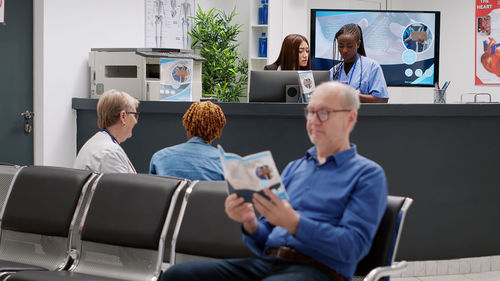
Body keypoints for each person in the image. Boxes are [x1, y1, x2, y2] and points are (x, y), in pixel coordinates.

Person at [161, 82, 388, 281]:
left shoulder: (367, 175)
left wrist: (294, 223)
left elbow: (351, 247)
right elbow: (264, 241)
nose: (314, 120)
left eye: (324, 113)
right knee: (176, 275)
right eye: (310, 112)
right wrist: (250, 223)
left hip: (321, 271)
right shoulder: (296, 168)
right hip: (269, 264)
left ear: (350, 118)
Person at [149, 101, 226, 181]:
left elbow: (152, 192)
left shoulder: (159, 158)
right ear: (217, 130)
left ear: (187, 124)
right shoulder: (224, 162)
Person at [73, 89, 139, 174]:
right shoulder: (110, 153)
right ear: (123, 116)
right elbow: (125, 187)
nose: (136, 121)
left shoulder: (96, 143)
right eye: (134, 115)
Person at [330, 23, 389, 103]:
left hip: (363, 115)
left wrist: (354, 96)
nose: (344, 50)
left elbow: (382, 99)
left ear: (358, 44)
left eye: (349, 46)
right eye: (341, 46)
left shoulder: (372, 67)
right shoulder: (334, 71)